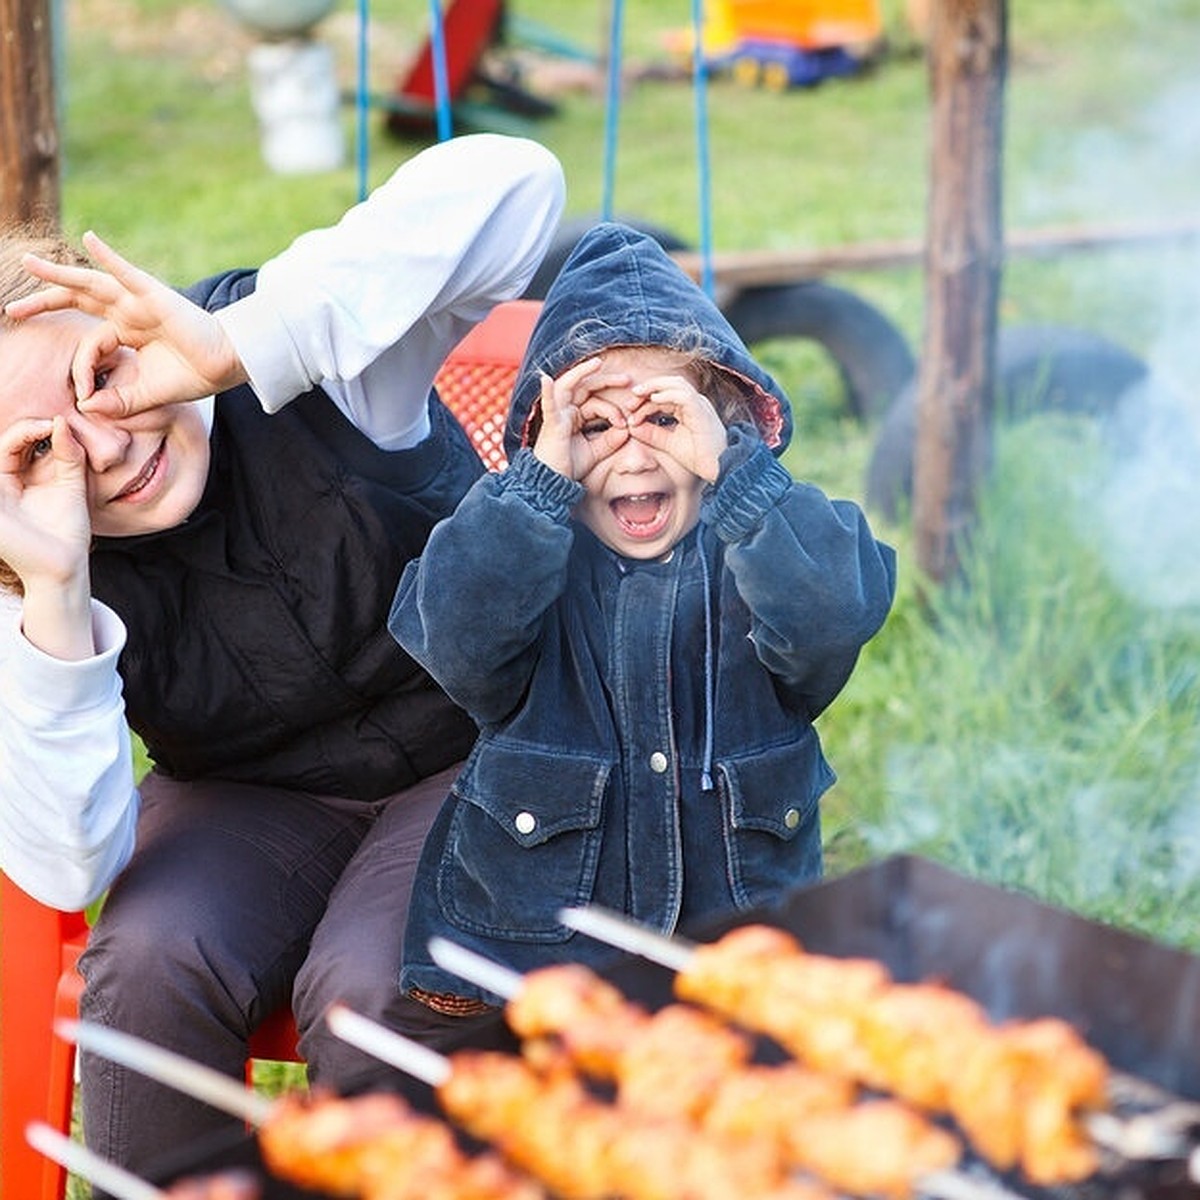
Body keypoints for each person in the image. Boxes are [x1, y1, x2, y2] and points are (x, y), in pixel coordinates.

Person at [0, 133, 564, 1177]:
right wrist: (53, 585)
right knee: (152, 964)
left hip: (482, 751)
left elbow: (519, 181)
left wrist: (239, 342)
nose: (108, 442)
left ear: (131, 316)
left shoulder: (312, 360)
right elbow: (66, 866)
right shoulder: (34, 563)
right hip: (250, 795)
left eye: (102, 373)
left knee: (376, 985)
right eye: (42, 448)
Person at [388, 222, 898, 1007]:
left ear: (723, 427)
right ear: (544, 445)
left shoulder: (762, 543)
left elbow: (832, 616)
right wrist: (534, 489)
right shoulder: (522, 554)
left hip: (732, 967)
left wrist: (741, 479)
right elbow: (455, 639)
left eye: (665, 419)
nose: (631, 454)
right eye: (593, 426)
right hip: (530, 970)